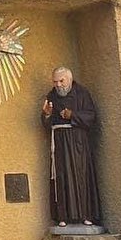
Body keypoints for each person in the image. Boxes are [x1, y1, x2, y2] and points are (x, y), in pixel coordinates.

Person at [41, 67, 101, 227]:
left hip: (78, 142)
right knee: (61, 177)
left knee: (81, 176)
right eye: (55, 82)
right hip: (60, 142)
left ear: (69, 79)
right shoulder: (51, 95)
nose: (58, 85)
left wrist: (72, 115)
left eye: (61, 81)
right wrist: (46, 114)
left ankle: (85, 215)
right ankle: (63, 216)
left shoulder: (82, 93)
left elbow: (91, 116)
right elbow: (47, 123)